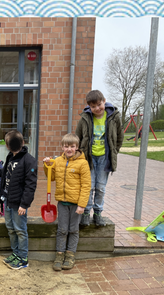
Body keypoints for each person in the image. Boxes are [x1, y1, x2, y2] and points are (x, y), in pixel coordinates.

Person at [42, 133, 91, 271]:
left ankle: (70, 255)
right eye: (66, 146)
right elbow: (50, 177)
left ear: (77, 147)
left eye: (72, 146)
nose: (69, 149)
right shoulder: (58, 161)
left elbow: (86, 185)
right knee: (62, 230)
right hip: (62, 203)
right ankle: (59, 254)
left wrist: (82, 205)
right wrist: (47, 166)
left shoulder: (83, 163)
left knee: (73, 230)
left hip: (76, 204)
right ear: (62, 147)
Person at [75, 89, 124, 227]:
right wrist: (78, 155)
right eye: (93, 106)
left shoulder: (114, 116)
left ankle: (97, 212)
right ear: (89, 107)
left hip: (104, 158)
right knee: (88, 187)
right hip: (88, 158)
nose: (97, 108)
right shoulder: (85, 117)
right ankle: (86, 212)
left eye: (99, 104)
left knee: (100, 187)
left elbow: (119, 137)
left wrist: (114, 151)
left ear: (104, 101)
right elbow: (77, 137)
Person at [0, 130, 38, 270]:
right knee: (11, 229)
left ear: (22, 143)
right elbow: (7, 176)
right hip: (8, 200)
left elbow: (30, 185)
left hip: (19, 204)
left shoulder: (29, 160)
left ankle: (23, 258)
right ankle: (15, 253)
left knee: (20, 230)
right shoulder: (10, 157)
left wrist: (24, 204)